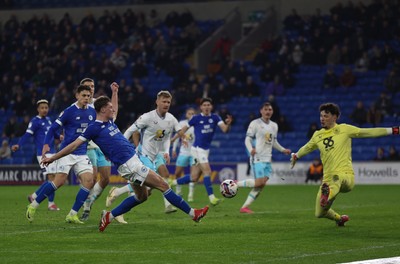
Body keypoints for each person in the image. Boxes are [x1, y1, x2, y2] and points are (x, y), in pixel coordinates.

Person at [41, 96, 209, 232]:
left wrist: (115, 92)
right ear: (102, 110)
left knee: (142, 196)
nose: (113, 108)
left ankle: (109, 216)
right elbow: (74, 145)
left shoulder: (109, 122)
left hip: (131, 162)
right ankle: (194, 213)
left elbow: (115, 107)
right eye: (109, 107)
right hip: (130, 165)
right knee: (163, 184)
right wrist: (53, 157)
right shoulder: (94, 128)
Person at [290, 103, 399, 227]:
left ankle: (327, 194)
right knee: (319, 213)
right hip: (328, 179)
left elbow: (368, 132)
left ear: (335, 117)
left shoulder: (345, 129)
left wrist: (394, 130)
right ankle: (339, 219)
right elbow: (307, 147)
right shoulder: (317, 135)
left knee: (337, 177)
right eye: (321, 116)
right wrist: (296, 156)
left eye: (325, 116)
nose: (322, 118)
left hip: (346, 176)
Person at [25, 84, 96, 224]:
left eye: (88, 96)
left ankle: (72, 214)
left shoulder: (92, 113)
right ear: (77, 96)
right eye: (83, 95)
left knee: (89, 181)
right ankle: (33, 205)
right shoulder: (69, 111)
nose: (86, 98)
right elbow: (52, 129)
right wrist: (46, 144)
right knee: (59, 181)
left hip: (82, 153)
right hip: (66, 152)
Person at [107, 91, 182, 214]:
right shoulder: (147, 117)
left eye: (168, 102)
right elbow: (130, 131)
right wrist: (121, 146)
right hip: (144, 154)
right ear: (157, 102)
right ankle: (170, 206)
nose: (166, 104)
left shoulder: (171, 119)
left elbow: (167, 137)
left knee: (149, 189)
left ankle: (118, 193)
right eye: (164, 101)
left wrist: (167, 151)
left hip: (157, 155)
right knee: (155, 182)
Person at [78, 78, 126, 223]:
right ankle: (81, 208)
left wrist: (115, 93)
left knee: (105, 179)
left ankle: (89, 202)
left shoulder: (99, 103)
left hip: (102, 147)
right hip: (89, 147)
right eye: (87, 86)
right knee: (91, 179)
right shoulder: (80, 106)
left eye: (92, 86)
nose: (90, 88)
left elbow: (114, 111)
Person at [170, 97, 233, 205]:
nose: (206, 107)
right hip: (197, 149)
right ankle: (212, 198)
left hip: (205, 150)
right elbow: (183, 129)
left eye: (208, 105)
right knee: (207, 171)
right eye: (204, 105)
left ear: (211, 107)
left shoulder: (215, 117)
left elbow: (225, 130)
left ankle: (171, 182)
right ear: (201, 107)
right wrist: (173, 139)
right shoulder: (196, 118)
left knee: (194, 178)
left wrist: (228, 124)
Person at [236, 102, 291, 214]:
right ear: (261, 111)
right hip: (257, 157)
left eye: (270, 109)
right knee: (259, 182)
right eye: (265, 109)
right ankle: (235, 184)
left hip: (268, 159)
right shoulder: (255, 123)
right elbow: (247, 139)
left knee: (261, 185)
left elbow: (273, 141)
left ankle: (245, 207)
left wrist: (282, 150)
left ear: (272, 111)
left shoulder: (274, 125)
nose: (268, 111)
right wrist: (251, 149)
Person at [11, 99, 62, 211]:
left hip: (53, 152)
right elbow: (27, 135)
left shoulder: (49, 120)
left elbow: (54, 133)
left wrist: (59, 137)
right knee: (52, 178)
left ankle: (33, 196)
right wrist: (19, 145)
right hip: (42, 154)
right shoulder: (35, 121)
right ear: (38, 109)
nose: (44, 110)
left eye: (46, 108)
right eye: (42, 108)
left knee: (52, 179)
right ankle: (51, 204)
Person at [171, 107, 196, 201]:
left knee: (193, 174)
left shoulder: (197, 123)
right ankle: (178, 190)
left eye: (193, 113)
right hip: (183, 152)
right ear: (186, 114)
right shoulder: (182, 123)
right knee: (177, 172)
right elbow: (177, 137)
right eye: (190, 113)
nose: (191, 115)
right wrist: (174, 149)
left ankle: (190, 194)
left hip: (194, 152)